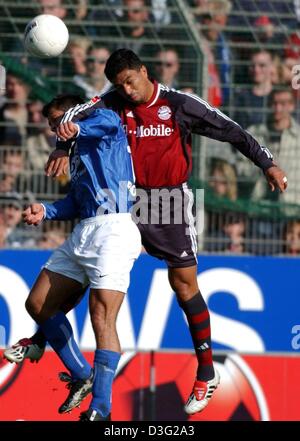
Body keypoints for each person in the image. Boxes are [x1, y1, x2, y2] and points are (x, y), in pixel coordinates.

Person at [6, 49, 288, 417]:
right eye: (119, 84)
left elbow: (230, 129)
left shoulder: (179, 104)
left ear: (144, 71)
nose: (127, 90)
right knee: (92, 278)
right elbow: (75, 116)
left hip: (167, 202)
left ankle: (206, 372)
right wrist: (61, 144)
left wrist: (266, 163)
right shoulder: (111, 101)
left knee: (184, 286)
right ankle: (46, 341)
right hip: (124, 200)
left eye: (130, 80)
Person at [4, 94, 141, 421]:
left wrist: (73, 128)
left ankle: (101, 409)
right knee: (38, 304)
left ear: (76, 112)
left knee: (101, 317)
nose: (55, 128)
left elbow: (107, 120)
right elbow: (75, 203)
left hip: (115, 229)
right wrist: (46, 210)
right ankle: (82, 375)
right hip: (85, 230)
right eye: (51, 124)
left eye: (57, 119)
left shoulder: (104, 124)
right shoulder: (77, 152)